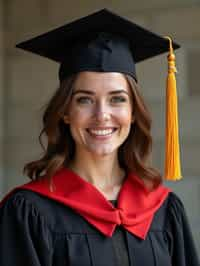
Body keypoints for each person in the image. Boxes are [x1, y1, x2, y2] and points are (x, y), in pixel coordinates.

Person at [0, 8, 199, 266]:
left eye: (117, 99)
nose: (102, 114)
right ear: (65, 112)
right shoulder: (29, 213)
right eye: (85, 99)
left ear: (133, 112)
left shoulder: (164, 210)